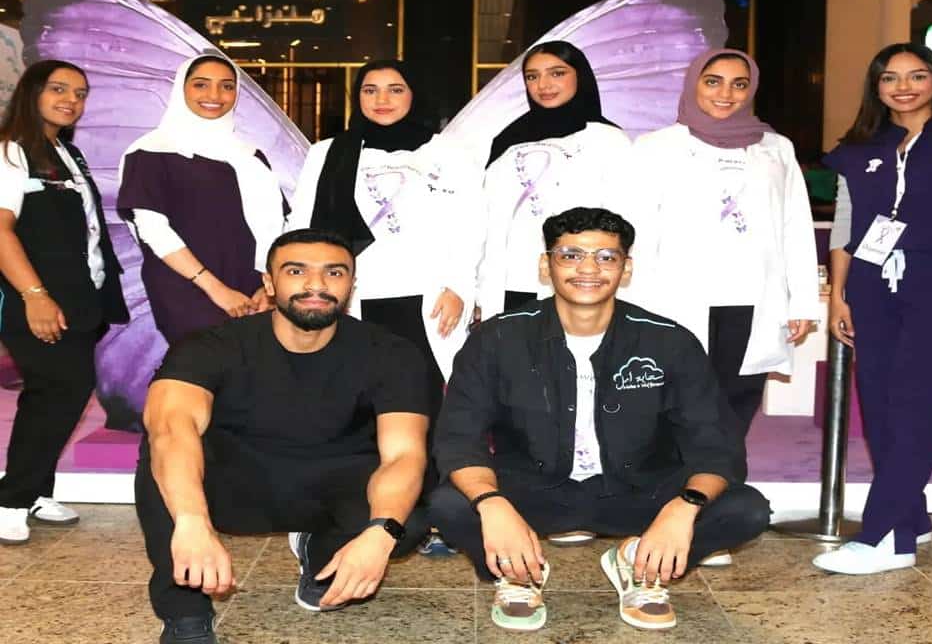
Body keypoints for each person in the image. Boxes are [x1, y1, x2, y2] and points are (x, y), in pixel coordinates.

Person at [430, 207, 770, 632]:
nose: (588, 269)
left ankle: (639, 563)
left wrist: (685, 508)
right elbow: (459, 438)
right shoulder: (497, 338)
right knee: (448, 503)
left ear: (626, 269)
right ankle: (517, 572)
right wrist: (492, 504)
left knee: (746, 509)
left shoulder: (669, 341)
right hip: (534, 486)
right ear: (546, 265)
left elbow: (715, 446)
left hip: (639, 488)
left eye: (606, 257)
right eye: (571, 255)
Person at [135, 229, 432, 644]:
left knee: (407, 518)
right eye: (296, 271)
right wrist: (191, 522)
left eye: (334, 273)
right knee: (165, 464)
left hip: (332, 485)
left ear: (351, 284)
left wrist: (381, 532)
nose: (316, 285)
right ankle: (185, 611)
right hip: (234, 485)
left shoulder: (392, 353)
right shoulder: (210, 346)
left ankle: (320, 558)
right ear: (270, 283)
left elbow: (403, 455)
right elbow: (170, 428)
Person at [623, 48, 819, 452]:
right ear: (693, 83)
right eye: (713, 81)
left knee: (736, 402)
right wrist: (632, 305)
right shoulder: (656, 147)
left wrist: (801, 301)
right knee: (675, 398)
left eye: (739, 84)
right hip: (675, 295)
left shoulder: (776, 148)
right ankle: (676, 484)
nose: (726, 94)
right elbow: (636, 229)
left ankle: (720, 483)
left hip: (754, 298)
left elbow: (795, 226)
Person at [813, 43, 932, 575]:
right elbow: (846, 224)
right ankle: (910, 516)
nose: (904, 87)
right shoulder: (860, 147)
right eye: (890, 77)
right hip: (872, 284)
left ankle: (886, 537)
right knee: (877, 401)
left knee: (915, 403)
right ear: (875, 87)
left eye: (917, 75)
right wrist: (840, 293)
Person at [289, 58, 480, 407]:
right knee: (358, 398)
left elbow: (472, 224)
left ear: (413, 94)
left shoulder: (449, 153)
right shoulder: (326, 153)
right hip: (355, 294)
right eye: (370, 90)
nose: (382, 100)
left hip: (429, 295)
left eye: (395, 90)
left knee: (427, 399)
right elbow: (301, 227)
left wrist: (460, 287)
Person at [0, 60, 128, 544]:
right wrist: (34, 296)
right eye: (58, 89)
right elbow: (1, 231)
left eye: (80, 93)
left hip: (79, 299)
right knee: (57, 392)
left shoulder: (64, 152)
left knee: (58, 396)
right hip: (36, 299)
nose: (71, 100)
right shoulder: (10, 152)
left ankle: (34, 491)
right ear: (32, 92)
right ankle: (11, 500)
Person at [117, 54, 286, 345]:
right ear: (181, 89)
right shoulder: (150, 152)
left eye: (227, 86)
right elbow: (153, 230)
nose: (214, 95)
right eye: (201, 84)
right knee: (204, 366)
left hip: (253, 289)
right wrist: (216, 289)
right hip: (187, 288)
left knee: (251, 368)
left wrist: (269, 287)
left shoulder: (250, 155)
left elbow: (278, 225)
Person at [478, 40, 631, 320]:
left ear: (580, 76)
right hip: (511, 281)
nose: (543, 85)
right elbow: (486, 219)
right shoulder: (508, 141)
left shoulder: (609, 141)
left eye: (557, 73)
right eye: (532, 76)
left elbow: (624, 220)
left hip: (582, 281)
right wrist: (478, 290)